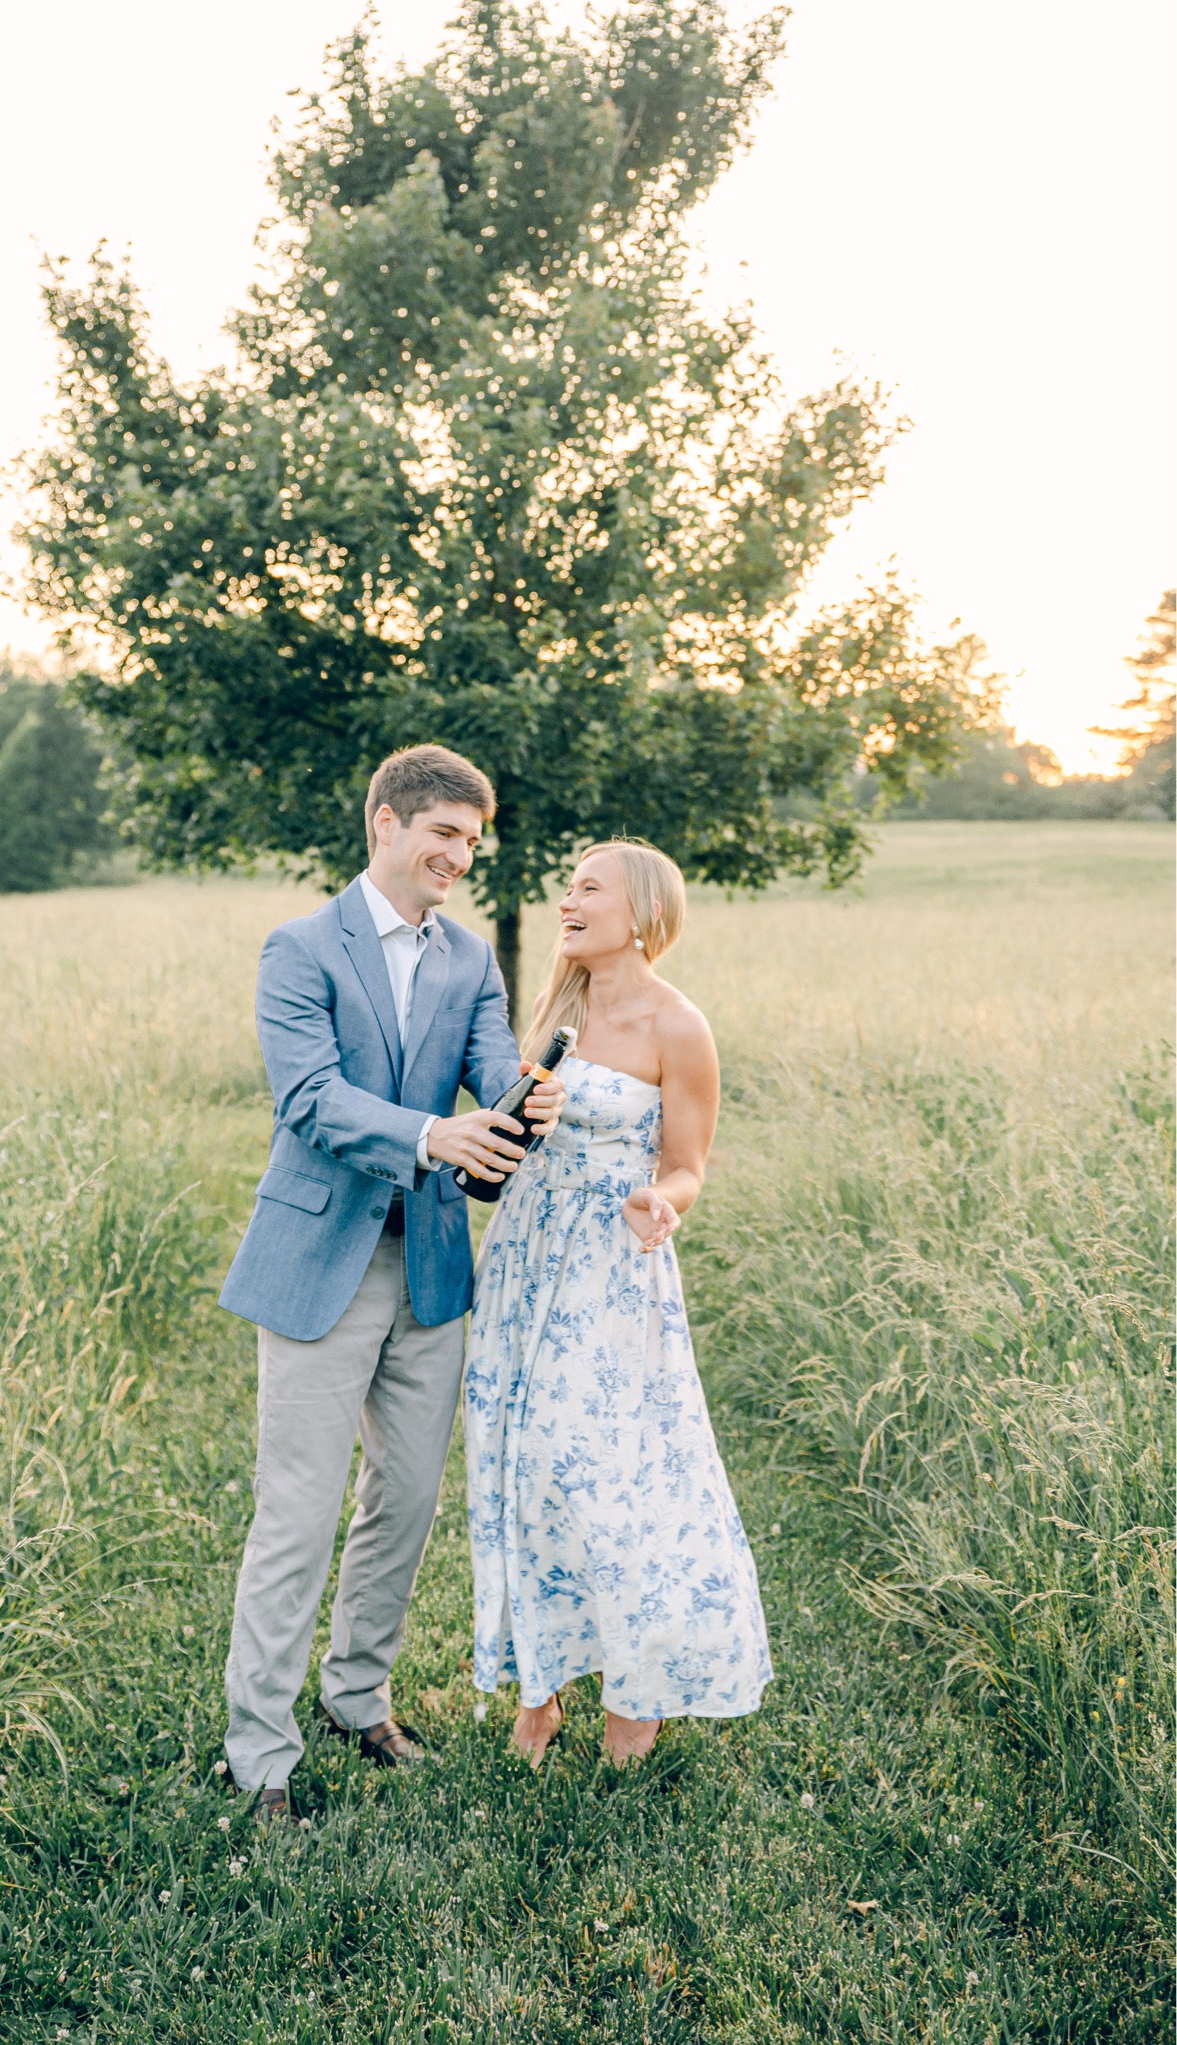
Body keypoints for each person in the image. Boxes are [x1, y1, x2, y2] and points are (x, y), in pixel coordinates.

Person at [218, 745, 563, 1824]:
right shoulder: (300, 948)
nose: (459, 855)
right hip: (321, 1257)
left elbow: (494, 1068)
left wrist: (527, 1101)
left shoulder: (468, 961)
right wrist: (428, 1133)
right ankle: (257, 1751)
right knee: (297, 1508)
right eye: (443, 833)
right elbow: (310, 1098)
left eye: (471, 839)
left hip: (429, 1266)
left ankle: (353, 1693)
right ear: (384, 823)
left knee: (405, 1498)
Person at [464, 840, 772, 1767]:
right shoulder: (557, 1006)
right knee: (517, 1459)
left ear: (639, 912)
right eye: (568, 887)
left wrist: (662, 1203)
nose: (568, 900)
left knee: (600, 1471)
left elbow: (688, 1165)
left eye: (588, 888)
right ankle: (541, 1683)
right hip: (524, 1259)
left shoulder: (680, 1026)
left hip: (608, 1266)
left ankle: (636, 1695)